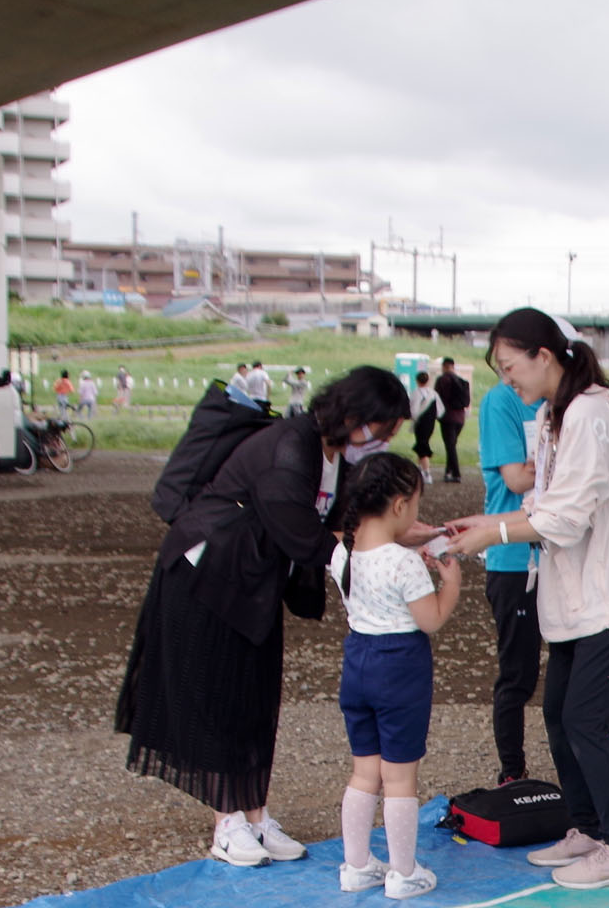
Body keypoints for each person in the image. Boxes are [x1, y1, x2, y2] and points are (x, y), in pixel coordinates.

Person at [116, 365, 414, 866]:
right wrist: (354, 566)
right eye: (382, 431)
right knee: (218, 697)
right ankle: (225, 822)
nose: (381, 441)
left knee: (256, 696)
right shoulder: (289, 446)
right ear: (355, 416)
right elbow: (299, 529)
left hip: (251, 583)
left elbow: (347, 523)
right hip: (206, 578)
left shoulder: (329, 454)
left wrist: (412, 536)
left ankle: (255, 813)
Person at [445, 309, 609, 888]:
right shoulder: (553, 415)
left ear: (545, 356)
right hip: (579, 600)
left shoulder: (589, 414)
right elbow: (543, 504)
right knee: (557, 714)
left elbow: (563, 519)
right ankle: (588, 829)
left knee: (586, 722)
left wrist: (490, 535)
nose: (507, 378)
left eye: (511, 366)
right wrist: (484, 520)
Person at [329, 453, 462, 900]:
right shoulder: (404, 564)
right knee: (400, 777)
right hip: (400, 666)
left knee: (364, 771)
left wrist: (410, 538)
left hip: (358, 660)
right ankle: (404, 872)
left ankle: (357, 864)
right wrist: (452, 584)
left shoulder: (341, 550)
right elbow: (431, 619)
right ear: (401, 505)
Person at [473, 366, 546, 783]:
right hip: (514, 560)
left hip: (558, 556)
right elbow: (517, 477)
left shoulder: (561, 402)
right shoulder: (501, 401)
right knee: (517, 674)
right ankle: (512, 772)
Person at [434, 357, 470, 483]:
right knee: (452, 445)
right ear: (453, 367)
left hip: (447, 417)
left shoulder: (442, 380)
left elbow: (437, 399)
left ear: (444, 367)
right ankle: (448, 472)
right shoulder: (461, 381)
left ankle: (456, 473)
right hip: (460, 418)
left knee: (450, 446)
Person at [409, 368, 439, 480]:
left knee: (422, 445)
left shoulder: (415, 393)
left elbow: (413, 410)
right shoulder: (433, 393)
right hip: (430, 423)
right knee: (422, 443)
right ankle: (420, 469)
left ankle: (427, 472)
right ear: (428, 381)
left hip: (420, 423)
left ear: (417, 380)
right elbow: (440, 410)